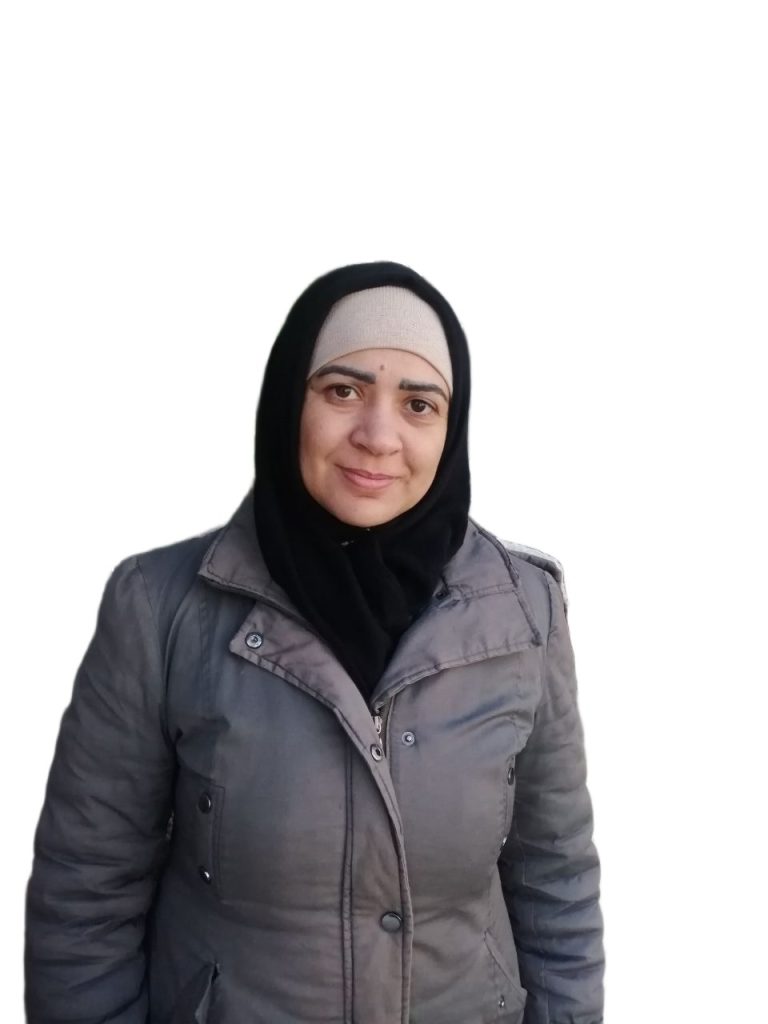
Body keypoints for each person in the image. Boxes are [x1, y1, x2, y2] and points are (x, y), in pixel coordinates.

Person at [25, 261, 604, 1023]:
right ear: (286, 403)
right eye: (342, 391)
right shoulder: (160, 607)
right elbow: (86, 891)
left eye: (419, 404)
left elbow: (554, 878)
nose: (378, 436)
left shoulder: (524, 610)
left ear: (451, 429)